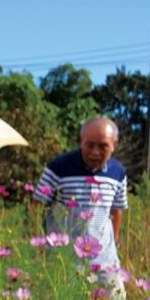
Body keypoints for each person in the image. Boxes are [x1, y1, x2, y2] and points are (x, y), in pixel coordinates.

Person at [33, 117, 127, 278]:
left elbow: (117, 210)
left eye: (103, 146)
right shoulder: (59, 167)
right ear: (81, 141)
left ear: (114, 145)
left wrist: (115, 242)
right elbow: (37, 205)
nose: (95, 152)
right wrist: (41, 241)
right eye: (89, 145)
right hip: (64, 260)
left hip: (105, 262)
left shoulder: (118, 172)